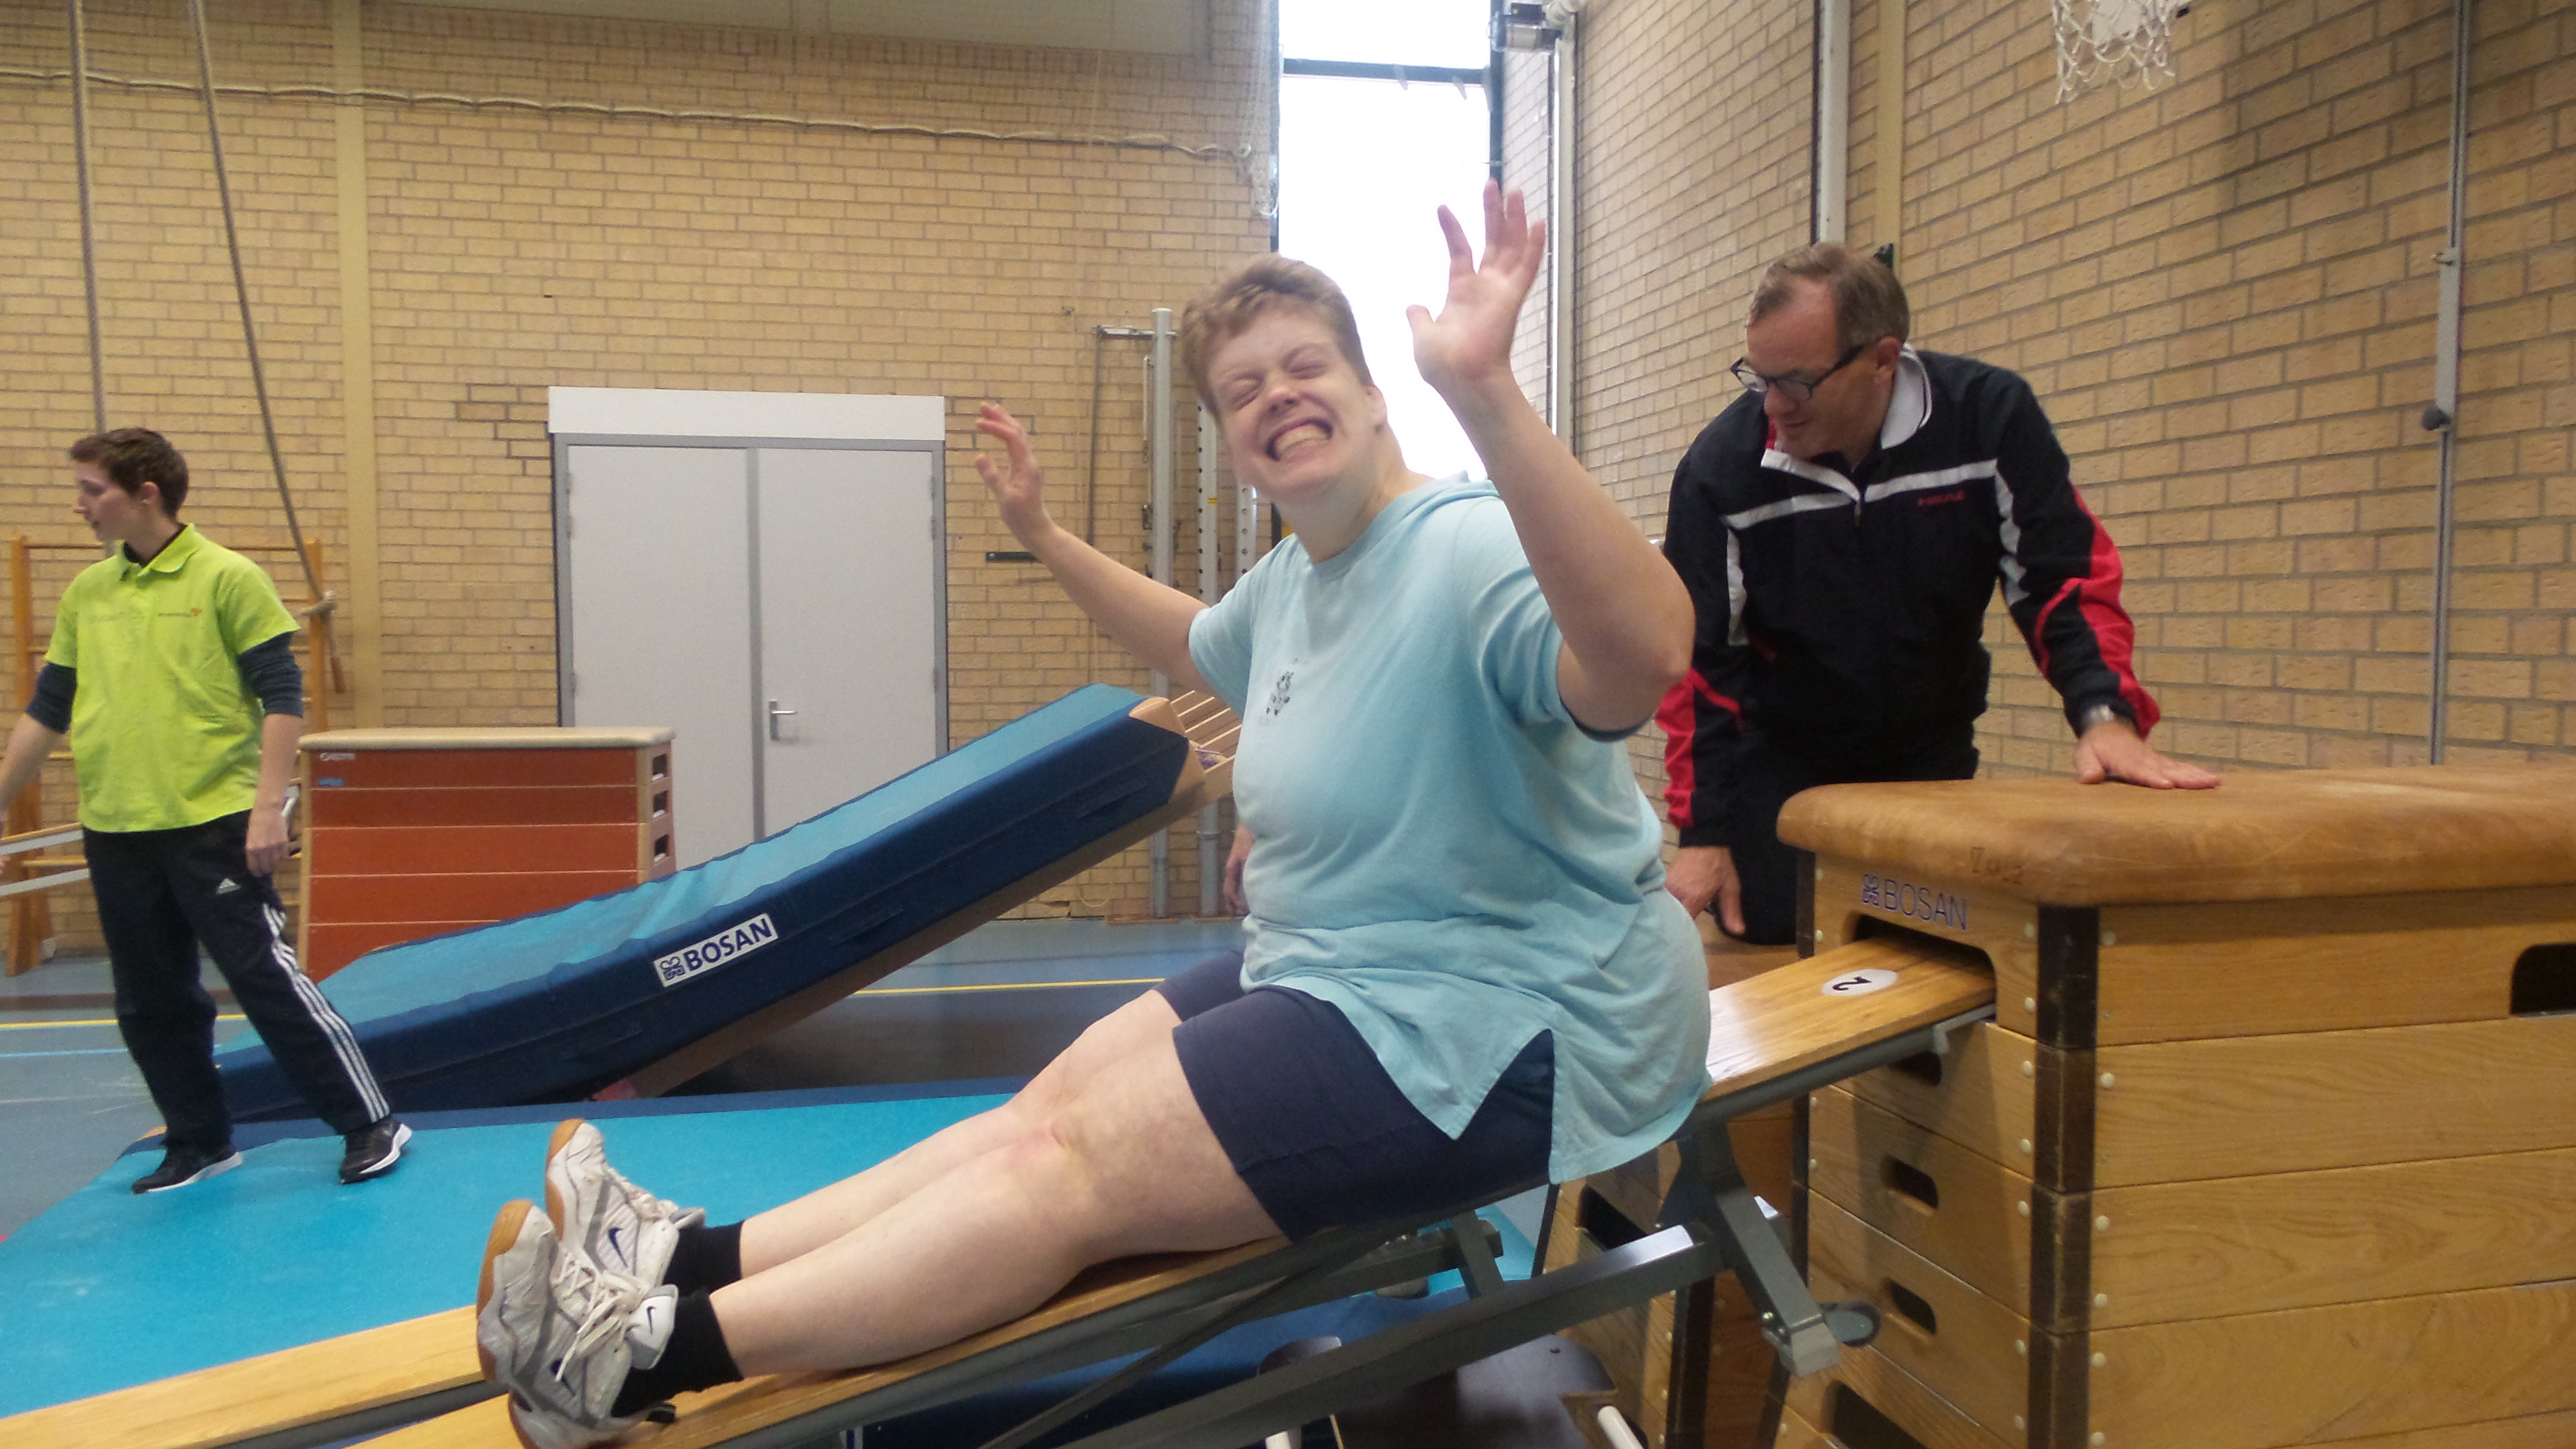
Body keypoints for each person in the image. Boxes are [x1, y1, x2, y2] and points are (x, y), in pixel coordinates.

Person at [469, 184, 1712, 1448]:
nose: (1277, 397)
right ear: (1231, 441)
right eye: (1243, 390)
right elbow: (1198, 644)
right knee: (1034, 1114)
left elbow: (1645, 655)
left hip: (1516, 1016)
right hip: (1345, 966)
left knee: (1061, 1172)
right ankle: (687, 1259)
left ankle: (626, 1359)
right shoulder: (1297, 579)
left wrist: (1486, 392)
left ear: (1374, 389)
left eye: (1304, 367)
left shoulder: (1465, 546)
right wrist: (1043, 535)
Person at [1656, 245, 2218, 946]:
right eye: (1759, 378)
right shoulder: (1722, 470)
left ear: (1882, 360)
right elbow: (1699, 657)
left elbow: (2062, 578)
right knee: (1768, 922)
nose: (1773, 406)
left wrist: (2104, 715)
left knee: (1928, 933)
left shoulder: (1988, 419)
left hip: (1927, 744)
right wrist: (1704, 830)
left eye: (1795, 383)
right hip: (1784, 752)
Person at [0, 429, 407, 1191]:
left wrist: (269, 809)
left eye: (92, 490)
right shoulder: (89, 592)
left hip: (213, 823)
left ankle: (369, 1121)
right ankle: (199, 1140)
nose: (80, 505)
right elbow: (49, 708)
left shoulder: (227, 577)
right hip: (118, 827)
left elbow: (282, 697)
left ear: (145, 494)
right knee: (150, 1001)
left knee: (264, 980)